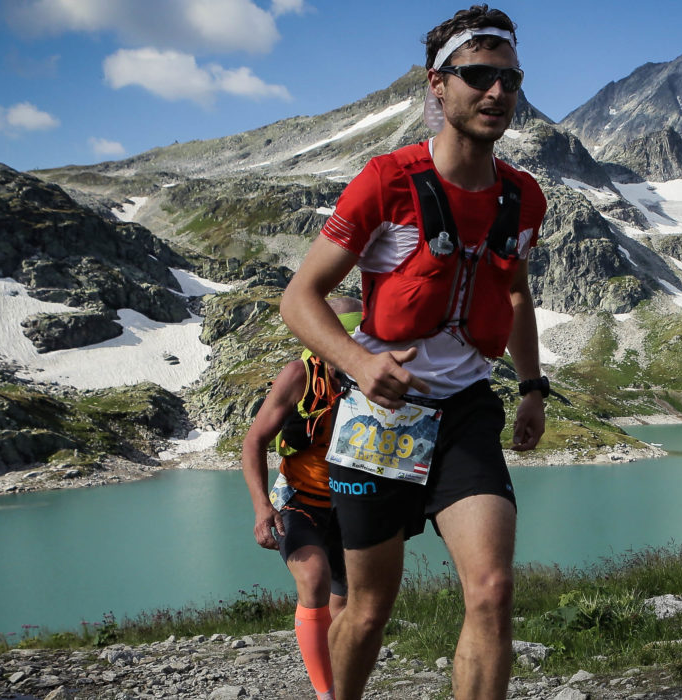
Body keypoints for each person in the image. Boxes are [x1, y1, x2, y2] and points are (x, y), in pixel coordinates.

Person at [279, 6, 548, 700]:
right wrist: (360, 363)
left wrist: (531, 388)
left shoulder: (524, 198)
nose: (497, 93)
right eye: (478, 76)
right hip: (378, 420)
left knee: (491, 589)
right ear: (439, 84)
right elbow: (300, 298)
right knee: (367, 610)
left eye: (510, 79)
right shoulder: (387, 181)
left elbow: (514, 294)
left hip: (465, 413)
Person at [241, 296, 362, 700]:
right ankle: (325, 695)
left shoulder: (375, 375)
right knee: (313, 579)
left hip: (353, 503)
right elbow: (254, 441)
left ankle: (341, 690)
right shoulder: (298, 375)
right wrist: (262, 507)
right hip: (299, 500)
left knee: (344, 608)